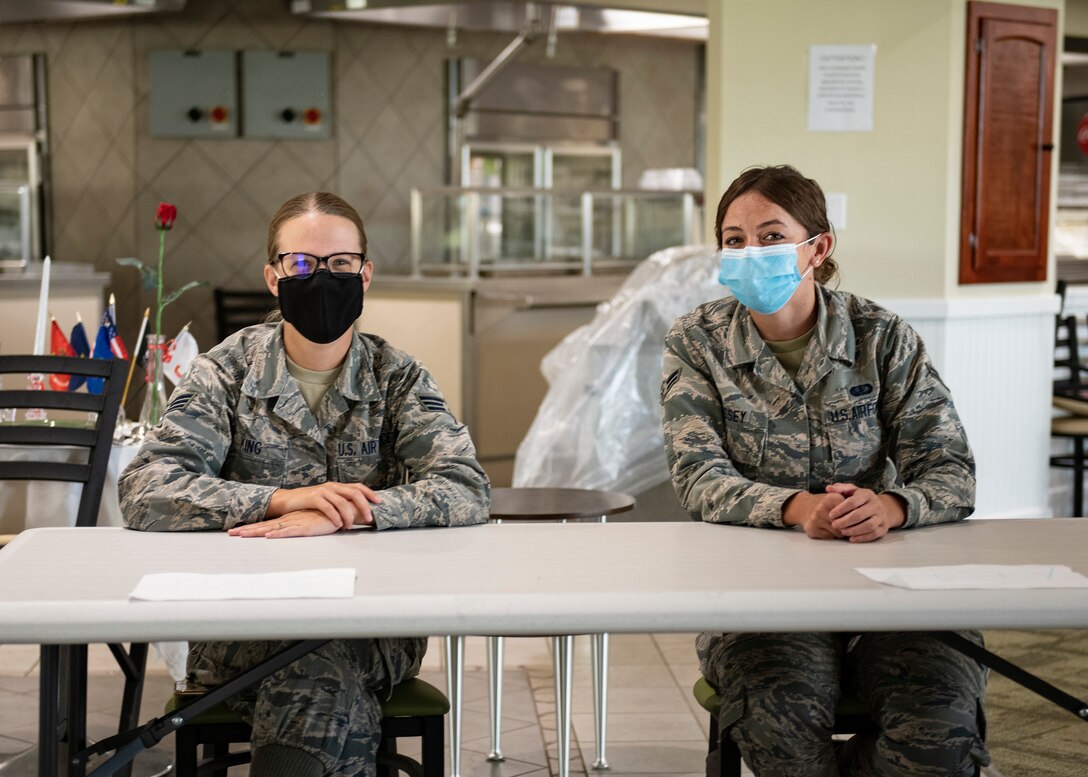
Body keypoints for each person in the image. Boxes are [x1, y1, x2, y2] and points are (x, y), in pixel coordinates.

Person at [119, 192, 491, 777]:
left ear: (364, 275)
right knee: (316, 671)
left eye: (341, 263)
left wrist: (348, 512)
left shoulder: (398, 377)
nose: (322, 277)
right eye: (301, 264)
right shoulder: (228, 371)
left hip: (372, 625)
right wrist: (280, 499)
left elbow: (466, 486)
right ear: (273, 277)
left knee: (321, 664)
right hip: (242, 625)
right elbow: (145, 486)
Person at [659, 165, 988, 777]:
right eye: (734, 240)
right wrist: (795, 508)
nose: (751, 252)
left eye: (771, 236)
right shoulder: (697, 341)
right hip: (764, 601)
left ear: (819, 248)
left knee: (937, 735)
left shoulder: (881, 337)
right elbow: (695, 473)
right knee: (780, 735)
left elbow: (948, 467)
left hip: (892, 593)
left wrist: (891, 507)